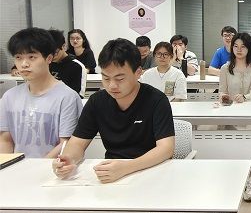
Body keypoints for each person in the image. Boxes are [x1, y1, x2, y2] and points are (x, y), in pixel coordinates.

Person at [53, 38, 175, 186]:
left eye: (120, 79)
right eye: (106, 78)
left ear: (138, 73)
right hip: (112, 173)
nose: (112, 86)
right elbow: (77, 143)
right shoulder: (97, 101)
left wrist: (127, 167)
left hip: (151, 171)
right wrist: (68, 159)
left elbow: (166, 148)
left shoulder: (156, 100)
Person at [0, 28, 82, 158]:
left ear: (49, 58)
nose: (24, 64)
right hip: (17, 167)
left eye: (31, 57)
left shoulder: (67, 97)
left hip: (52, 167)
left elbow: (66, 144)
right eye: (18, 57)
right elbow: (5, 140)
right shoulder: (9, 97)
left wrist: (38, 167)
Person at [218, 32, 251, 201]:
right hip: (230, 112)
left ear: (249, 48)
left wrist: (245, 97)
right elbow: (222, 91)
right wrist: (224, 97)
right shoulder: (225, 68)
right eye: (235, 46)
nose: (239, 49)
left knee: (248, 142)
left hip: (249, 113)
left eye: (243, 46)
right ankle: (232, 176)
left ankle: (248, 179)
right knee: (230, 143)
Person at [48, 29, 87, 97]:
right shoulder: (46, 63)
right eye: (48, 53)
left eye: (55, 52)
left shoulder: (77, 66)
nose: (52, 56)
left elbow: (77, 96)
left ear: (64, 46)